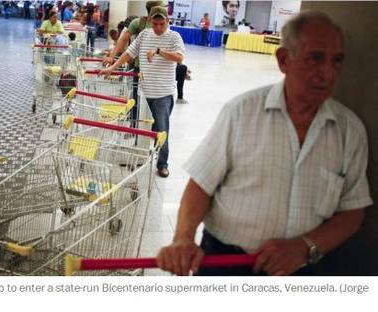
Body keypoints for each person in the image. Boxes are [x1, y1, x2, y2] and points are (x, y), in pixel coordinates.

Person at [157, 11, 373, 276]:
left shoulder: (349, 130)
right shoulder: (241, 113)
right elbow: (201, 184)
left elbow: (353, 212)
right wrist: (183, 239)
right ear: (284, 60)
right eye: (315, 58)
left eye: (336, 61)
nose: (328, 73)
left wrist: (304, 247)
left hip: (302, 269)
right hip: (227, 265)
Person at [100, 6, 185, 178]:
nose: (159, 27)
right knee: (140, 127)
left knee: (162, 130)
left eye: (162, 24)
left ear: (168, 22)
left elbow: (179, 58)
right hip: (144, 92)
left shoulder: (174, 37)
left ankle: (162, 164)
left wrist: (159, 51)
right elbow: (129, 54)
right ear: (150, 21)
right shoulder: (144, 35)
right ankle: (140, 156)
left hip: (163, 94)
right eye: (155, 23)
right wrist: (113, 67)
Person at [103, 1, 165, 130]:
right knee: (136, 97)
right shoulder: (139, 23)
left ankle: (153, 128)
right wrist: (112, 56)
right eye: (161, 7)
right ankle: (134, 127)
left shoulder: (165, 23)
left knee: (156, 100)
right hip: (140, 68)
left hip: (158, 70)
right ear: (153, 9)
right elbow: (124, 40)